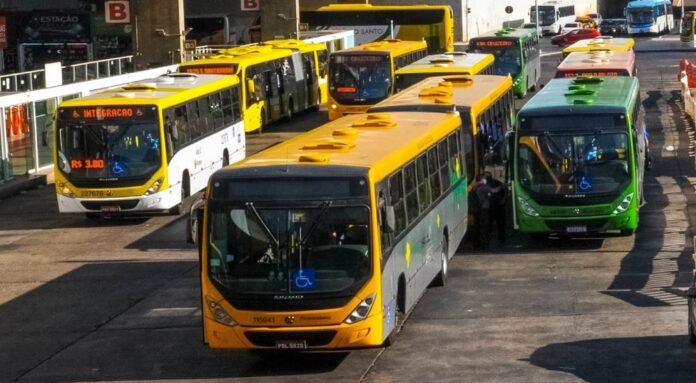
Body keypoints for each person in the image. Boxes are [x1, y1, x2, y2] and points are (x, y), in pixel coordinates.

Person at [487, 172, 507, 244]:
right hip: (498, 206)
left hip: (491, 207)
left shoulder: (486, 185)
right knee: (500, 224)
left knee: (490, 224)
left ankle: (488, 239)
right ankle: (501, 239)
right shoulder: (499, 183)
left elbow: (494, 191)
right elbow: (504, 192)